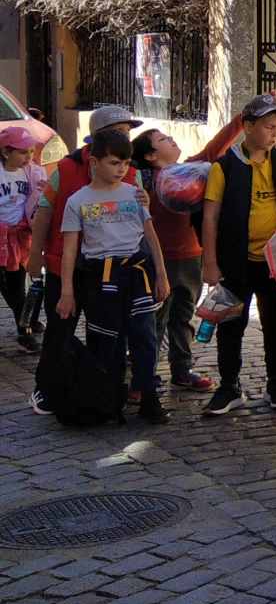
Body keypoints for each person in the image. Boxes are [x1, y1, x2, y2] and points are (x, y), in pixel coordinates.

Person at [28, 105, 143, 415]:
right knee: (59, 329)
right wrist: (35, 255)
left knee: (106, 331)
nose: (125, 137)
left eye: (127, 132)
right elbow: (44, 212)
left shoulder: (130, 172)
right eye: (119, 131)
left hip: (108, 269)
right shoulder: (66, 169)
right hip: (62, 263)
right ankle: (46, 388)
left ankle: (101, 390)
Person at [57, 128, 172, 424]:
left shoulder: (134, 195)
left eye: (126, 163)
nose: (121, 169)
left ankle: (148, 396)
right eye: (114, 163)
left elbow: (151, 236)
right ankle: (109, 398)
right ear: (95, 162)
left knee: (145, 337)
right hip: (101, 277)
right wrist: (67, 292)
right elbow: (70, 250)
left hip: (136, 274)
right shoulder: (77, 201)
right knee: (107, 339)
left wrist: (161, 275)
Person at [130, 114, 244, 394]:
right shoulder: (141, 181)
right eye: (162, 139)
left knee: (184, 316)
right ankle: (144, 376)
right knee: (155, 319)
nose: (170, 139)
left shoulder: (192, 169)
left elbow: (216, 147)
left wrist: (242, 119)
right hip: (158, 259)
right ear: (150, 155)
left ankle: (182, 369)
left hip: (191, 257)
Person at [200, 94, 276, 416]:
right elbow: (211, 217)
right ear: (247, 126)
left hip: (273, 262)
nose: (275, 133)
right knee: (231, 323)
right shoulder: (225, 167)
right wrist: (210, 262)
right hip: (235, 260)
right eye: (269, 127)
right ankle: (229, 386)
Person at [0, 126, 46, 352]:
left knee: (25, 283)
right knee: (10, 287)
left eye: (31, 151)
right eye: (22, 152)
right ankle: (24, 327)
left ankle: (27, 323)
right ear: (6, 152)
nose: (28, 157)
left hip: (20, 237)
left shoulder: (31, 173)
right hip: (1, 238)